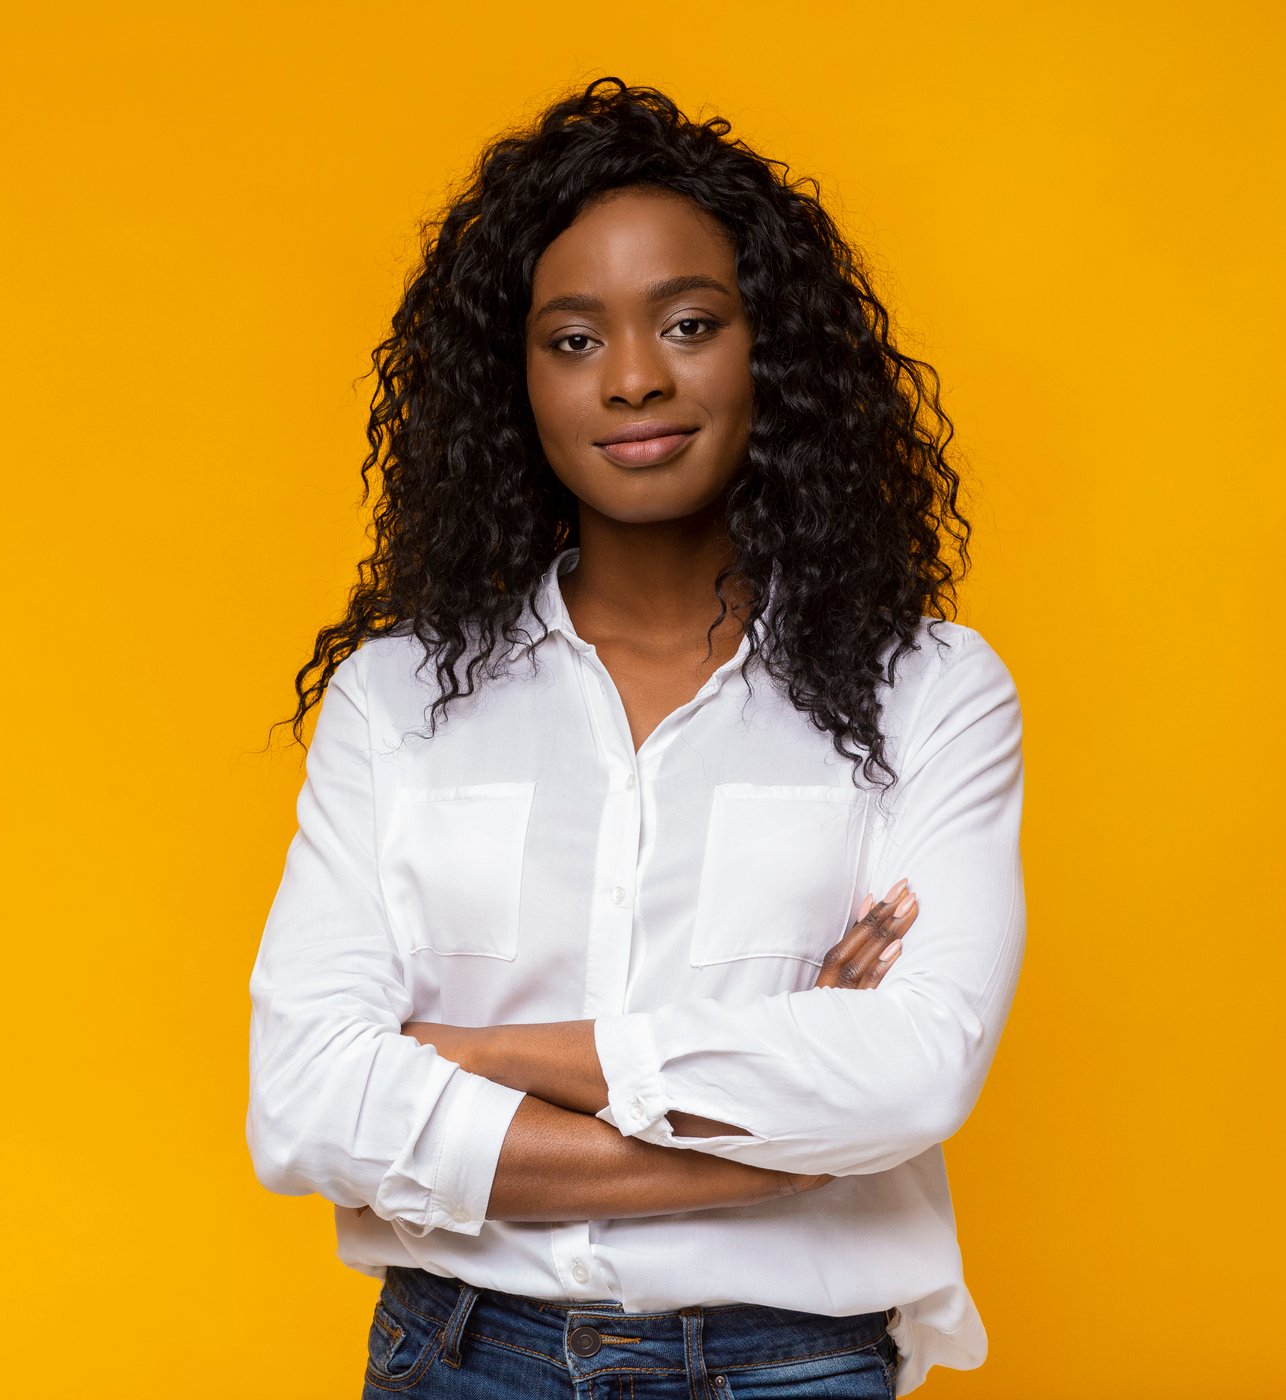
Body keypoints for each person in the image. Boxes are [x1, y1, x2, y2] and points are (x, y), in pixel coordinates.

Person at [245, 77, 1025, 1399]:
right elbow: (306, 1103)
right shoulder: (396, 701)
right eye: (570, 339)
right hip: (459, 1360)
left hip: (788, 1367)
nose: (633, 379)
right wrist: (766, 1131)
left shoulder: (926, 691)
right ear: (515, 385)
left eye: (687, 322)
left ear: (767, 350)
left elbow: (908, 1076)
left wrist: (472, 1055)